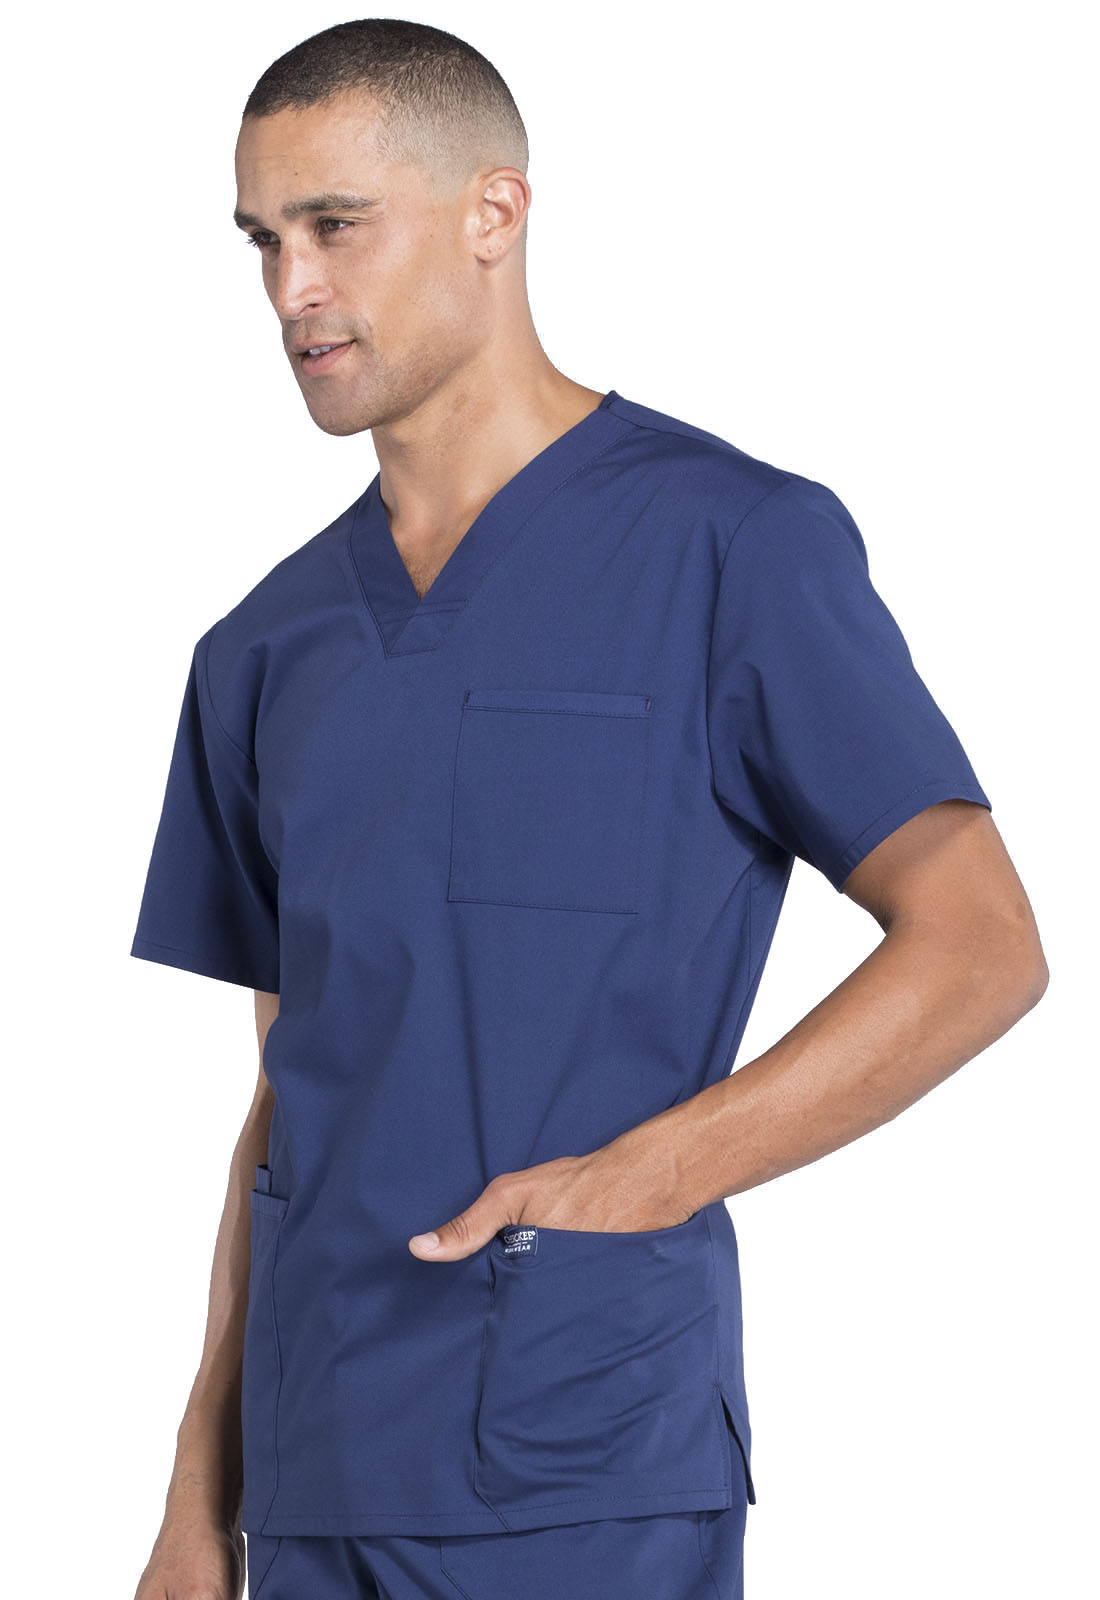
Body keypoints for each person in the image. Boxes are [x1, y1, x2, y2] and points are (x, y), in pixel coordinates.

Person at [128, 18, 1048, 1600]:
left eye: (335, 226)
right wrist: (194, 1501)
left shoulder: (730, 548)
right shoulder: (262, 652)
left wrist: (653, 1177)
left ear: (495, 211)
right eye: (262, 241)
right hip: (313, 1473)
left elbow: (981, 945)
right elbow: (292, 1103)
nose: (291, 291)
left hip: (586, 1463)